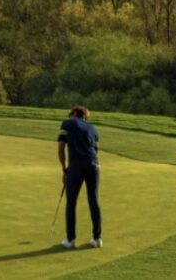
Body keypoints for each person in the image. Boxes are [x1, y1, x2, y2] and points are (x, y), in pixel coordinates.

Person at [57, 105, 102, 249]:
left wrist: (65, 170)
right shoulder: (93, 129)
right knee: (94, 201)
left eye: (70, 114)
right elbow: (95, 150)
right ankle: (97, 239)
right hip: (94, 166)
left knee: (71, 202)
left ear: (75, 113)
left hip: (76, 166)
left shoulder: (67, 123)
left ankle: (70, 240)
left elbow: (61, 148)